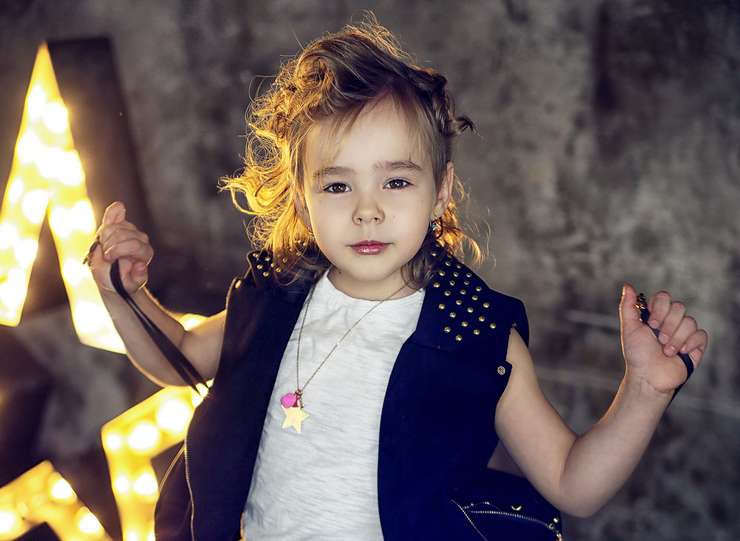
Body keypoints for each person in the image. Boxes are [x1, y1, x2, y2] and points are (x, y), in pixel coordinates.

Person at [86, 13, 709, 541]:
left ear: (440, 192)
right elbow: (181, 358)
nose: (368, 210)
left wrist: (644, 393)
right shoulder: (277, 297)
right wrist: (124, 296)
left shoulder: (474, 336)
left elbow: (573, 482)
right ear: (302, 199)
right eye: (338, 185)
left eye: (396, 180)